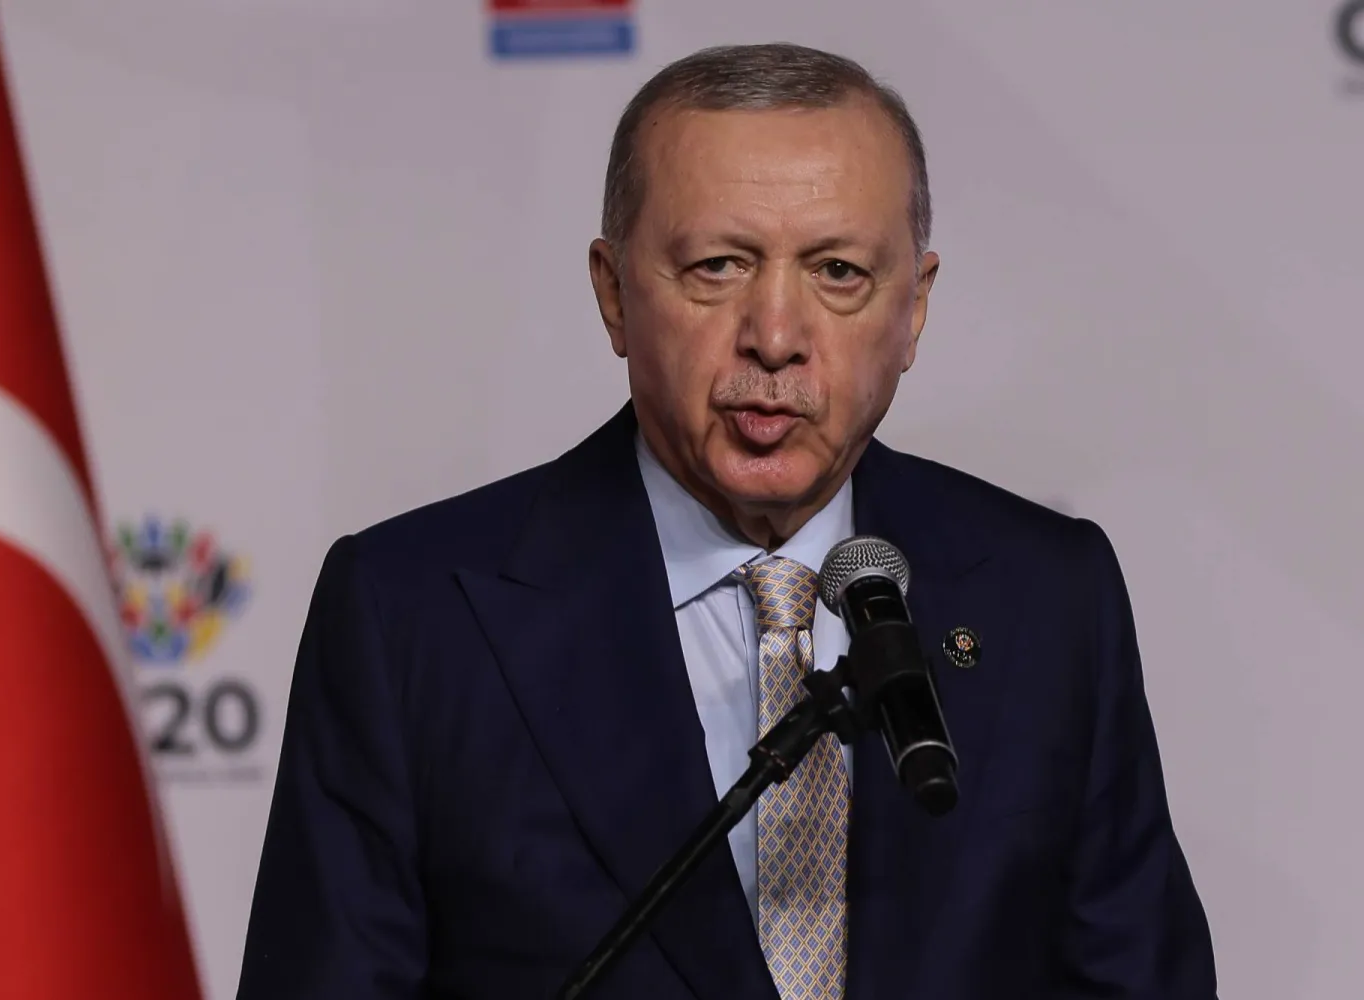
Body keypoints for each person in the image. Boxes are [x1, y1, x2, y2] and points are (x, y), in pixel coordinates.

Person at [237, 43, 1218, 999]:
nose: (777, 337)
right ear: (615, 294)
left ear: (913, 310)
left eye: (837, 272)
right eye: (717, 266)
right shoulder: (411, 618)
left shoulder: (1048, 596)